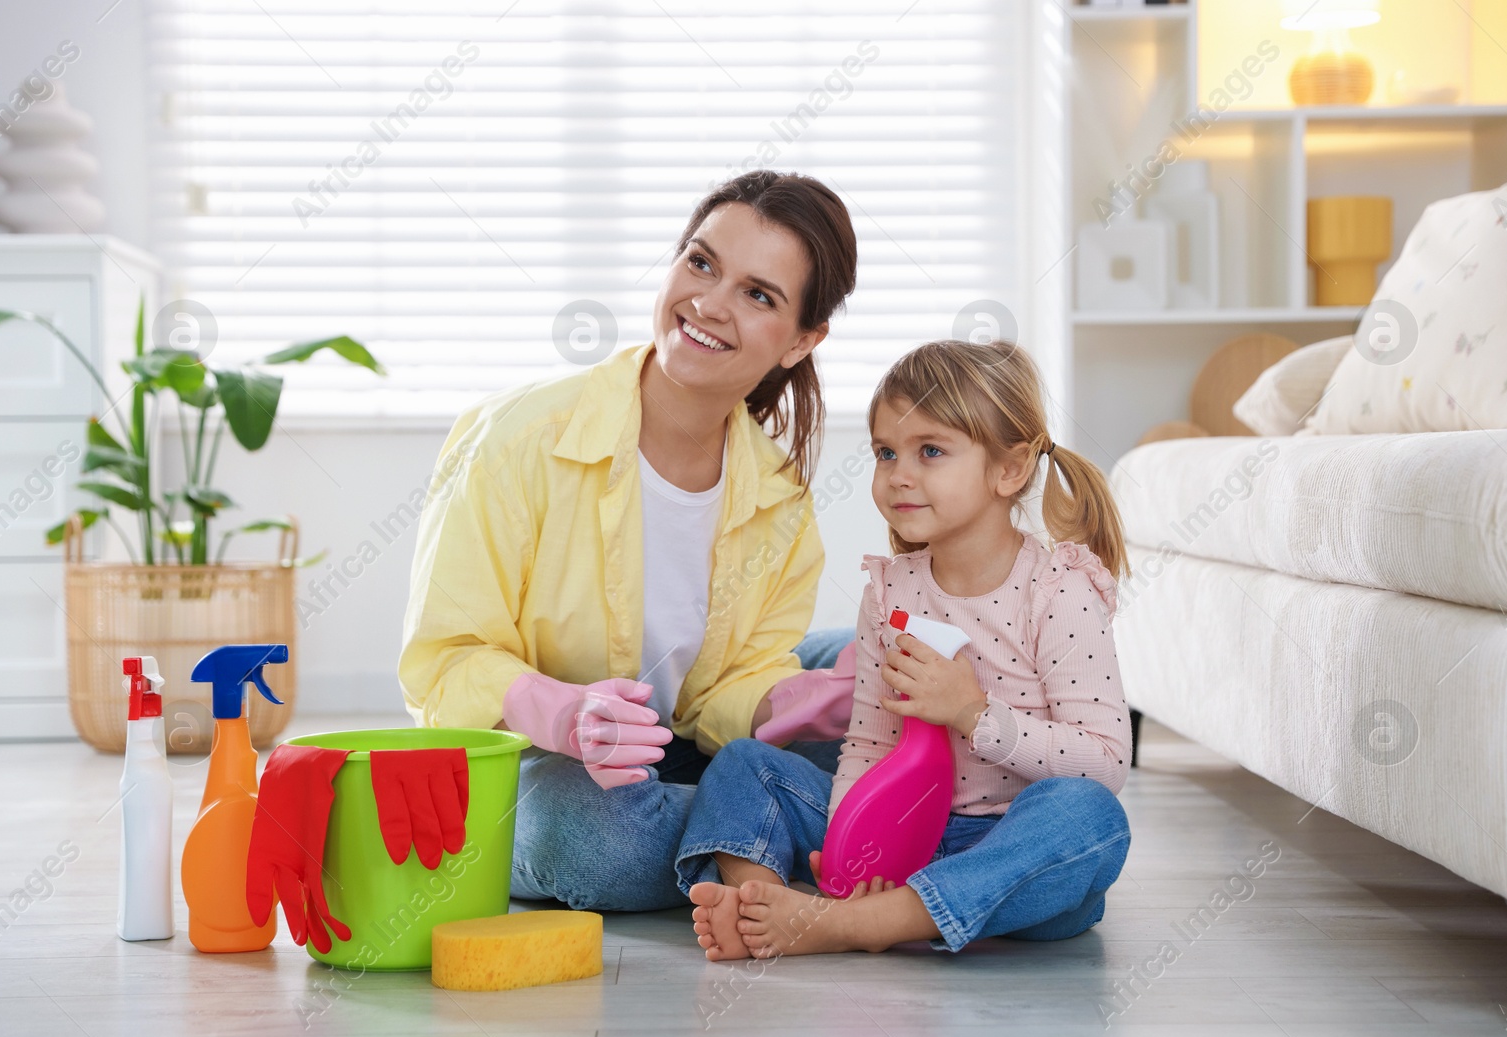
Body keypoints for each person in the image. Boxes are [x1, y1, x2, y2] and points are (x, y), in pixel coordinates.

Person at [399, 171, 861, 911]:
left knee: (884, 691)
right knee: (600, 843)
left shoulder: (778, 496)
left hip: (682, 741)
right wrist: (559, 710)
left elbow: (718, 689)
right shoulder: (517, 440)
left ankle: (761, 829)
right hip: (541, 761)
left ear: (803, 341)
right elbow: (443, 662)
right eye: (701, 262)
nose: (707, 303)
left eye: (758, 294)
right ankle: (812, 836)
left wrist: (790, 700)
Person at [675, 338, 1134, 957]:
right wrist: (849, 849)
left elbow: (1104, 763)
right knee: (741, 764)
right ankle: (762, 905)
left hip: (1006, 849)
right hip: (899, 840)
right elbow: (869, 741)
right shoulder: (891, 592)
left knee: (1088, 818)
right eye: (886, 452)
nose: (899, 475)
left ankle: (850, 925)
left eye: (931, 451)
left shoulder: (1060, 591)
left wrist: (974, 715)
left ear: (1011, 469)